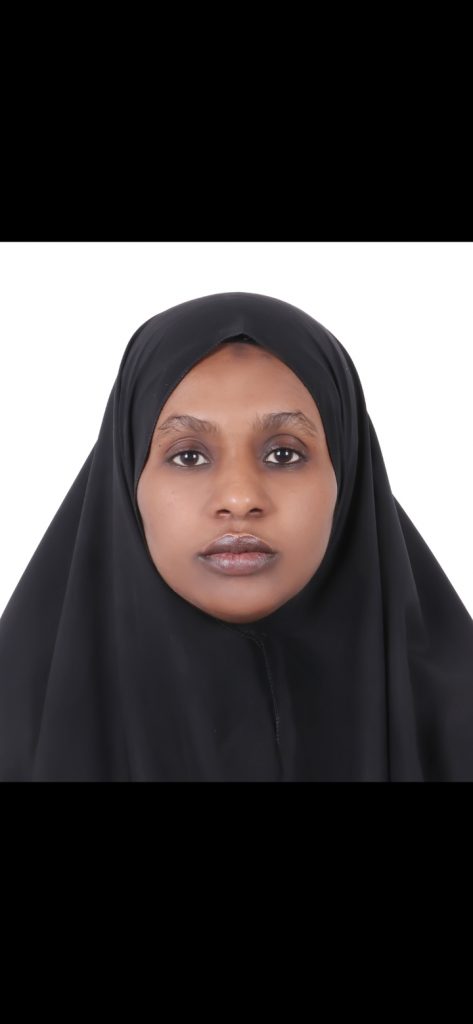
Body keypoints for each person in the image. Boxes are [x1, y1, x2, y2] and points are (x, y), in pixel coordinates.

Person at [1, 290, 472, 781]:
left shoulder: (455, 731)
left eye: (284, 454)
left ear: (349, 476)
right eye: (188, 456)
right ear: (125, 478)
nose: (240, 498)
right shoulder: (17, 731)